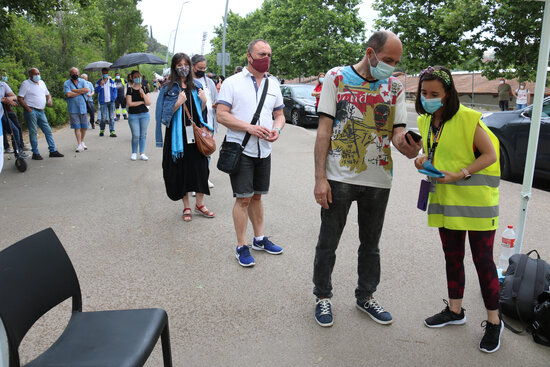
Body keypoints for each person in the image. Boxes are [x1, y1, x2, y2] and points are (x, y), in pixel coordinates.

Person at [312, 31, 421, 327]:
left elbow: (397, 131)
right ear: (370, 53)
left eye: (396, 61)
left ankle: (366, 295)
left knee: (370, 244)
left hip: (379, 178)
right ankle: (323, 297)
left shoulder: (395, 87)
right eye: (387, 59)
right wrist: (320, 178)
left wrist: (407, 146)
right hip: (339, 177)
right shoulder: (336, 78)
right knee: (328, 241)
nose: (391, 65)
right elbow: (324, 131)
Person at [413, 66, 502, 353]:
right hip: (445, 199)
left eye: (435, 94)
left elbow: (489, 155)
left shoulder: (468, 118)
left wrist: (461, 173)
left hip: (476, 203)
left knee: (483, 262)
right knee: (452, 257)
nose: (428, 98)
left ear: (448, 93)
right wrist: (423, 159)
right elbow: (438, 151)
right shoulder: (426, 120)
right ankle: (455, 311)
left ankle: (494, 322)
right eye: (424, 93)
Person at [216, 39, 285, 267]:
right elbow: (222, 115)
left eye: (269, 54)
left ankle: (259, 239)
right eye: (261, 53)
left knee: (257, 196)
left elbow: (280, 115)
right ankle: (241, 246)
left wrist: (277, 130)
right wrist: (249, 127)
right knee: (243, 198)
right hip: (241, 149)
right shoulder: (232, 82)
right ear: (249, 56)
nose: (266, 58)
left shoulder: (273, 84)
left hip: (264, 150)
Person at [155, 52, 215, 222]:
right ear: (175, 67)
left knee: (202, 169)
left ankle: (200, 204)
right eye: (179, 65)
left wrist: (203, 101)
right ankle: (187, 206)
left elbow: (201, 114)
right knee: (182, 171)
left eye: (186, 64)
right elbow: (163, 117)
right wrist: (177, 103)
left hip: (195, 135)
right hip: (178, 137)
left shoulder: (195, 85)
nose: (183, 68)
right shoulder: (168, 88)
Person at [17, 68, 64, 160]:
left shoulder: (42, 82)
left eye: (38, 73)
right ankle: (35, 152)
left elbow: (47, 94)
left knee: (48, 130)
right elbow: (20, 98)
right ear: (30, 75)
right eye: (35, 74)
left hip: (41, 111)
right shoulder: (26, 84)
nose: (37, 75)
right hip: (31, 110)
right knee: (33, 131)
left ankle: (52, 150)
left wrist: (49, 99)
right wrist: (27, 109)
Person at [192, 54, 218, 188]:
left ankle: (204, 177)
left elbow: (215, 99)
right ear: (192, 66)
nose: (202, 70)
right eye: (199, 67)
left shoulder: (210, 82)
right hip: (190, 124)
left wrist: (216, 104)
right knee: (192, 151)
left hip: (208, 123)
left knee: (207, 149)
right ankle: (193, 180)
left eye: (204, 67)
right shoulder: (187, 82)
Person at [0, 70, 30, 156]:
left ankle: (18, 153)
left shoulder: (3, 85)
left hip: (2, 114)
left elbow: (14, 96)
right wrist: (4, 100)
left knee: (15, 130)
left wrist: (9, 99)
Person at [126, 70, 151, 161]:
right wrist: (141, 102)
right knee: (136, 135)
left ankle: (142, 153)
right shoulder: (130, 89)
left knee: (143, 135)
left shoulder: (144, 88)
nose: (137, 78)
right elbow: (129, 103)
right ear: (132, 78)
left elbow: (148, 102)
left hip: (144, 114)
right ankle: (134, 152)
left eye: (138, 76)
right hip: (133, 116)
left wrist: (143, 93)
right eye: (135, 77)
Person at [64, 67, 90, 152]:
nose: (75, 74)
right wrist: (80, 91)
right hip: (73, 108)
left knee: (84, 127)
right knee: (77, 127)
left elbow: (87, 89)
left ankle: (82, 141)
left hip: (83, 108)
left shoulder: (82, 81)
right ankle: (79, 144)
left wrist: (74, 91)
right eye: (73, 73)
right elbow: (68, 94)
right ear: (70, 74)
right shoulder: (67, 83)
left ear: (78, 73)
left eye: (76, 72)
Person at [95, 67, 118, 137]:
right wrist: (100, 85)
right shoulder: (99, 82)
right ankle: (102, 129)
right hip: (103, 102)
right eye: (104, 73)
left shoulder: (111, 82)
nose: (105, 74)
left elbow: (115, 90)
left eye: (106, 73)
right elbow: (96, 91)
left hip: (111, 101)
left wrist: (114, 98)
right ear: (102, 74)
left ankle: (112, 131)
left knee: (111, 117)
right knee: (103, 117)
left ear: (108, 74)